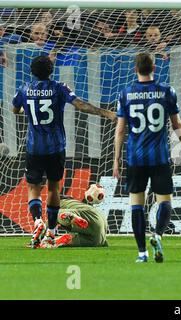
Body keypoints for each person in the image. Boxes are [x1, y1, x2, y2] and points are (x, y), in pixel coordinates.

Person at [12, 55, 116, 249]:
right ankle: (51, 233)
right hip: (55, 148)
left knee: (33, 188)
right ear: (51, 71)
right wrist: (106, 113)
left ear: (32, 71)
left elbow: (14, 109)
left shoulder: (24, 89)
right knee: (53, 188)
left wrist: (30, 110)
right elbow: (80, 105)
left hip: (34, 148)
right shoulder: (60, 87)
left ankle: (37, 221)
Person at [113, 52, 181, 263]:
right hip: (159, 158)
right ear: (154, 68)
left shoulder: (126, 93)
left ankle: (141, 253)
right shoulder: (166, 92)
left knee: (137, 204)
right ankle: (157, 235)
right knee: (165, 201)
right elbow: (177, 125)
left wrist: (116, 159)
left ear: (135, 69)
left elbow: (120, 131)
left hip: (135, 159)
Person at [37, 193, 108, 248]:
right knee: (90, 240)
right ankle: (63, 240)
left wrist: (38, 239)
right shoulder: (79, 204)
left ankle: (70, 216)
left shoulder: (62, 202)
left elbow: (49, 222)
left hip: (91, 216)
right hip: (100, 238)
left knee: (55, 213)